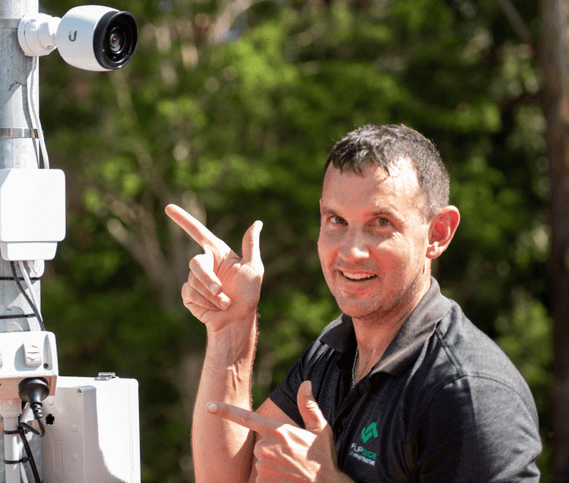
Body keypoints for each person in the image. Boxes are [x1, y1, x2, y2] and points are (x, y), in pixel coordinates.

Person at [165, 123, 541, 482]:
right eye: (336, 220)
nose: (351, 251)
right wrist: (232, 329)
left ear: (437, 233)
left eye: (380, 223)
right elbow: (232, 480)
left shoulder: (468, 392)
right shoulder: (332, 353)